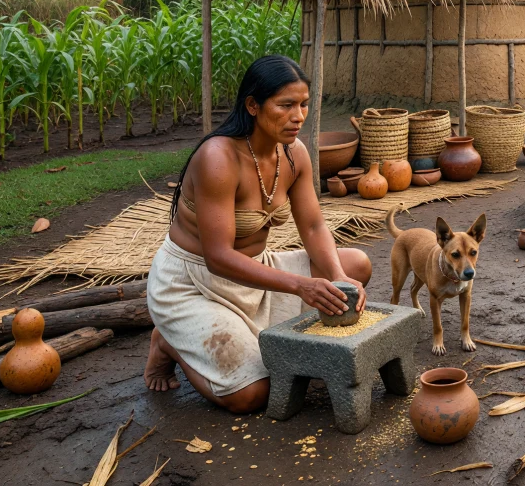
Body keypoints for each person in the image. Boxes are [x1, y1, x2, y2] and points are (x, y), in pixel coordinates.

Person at [144, 55, 372, 413]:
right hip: (194, 284)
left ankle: (263, 340)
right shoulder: (219, 158)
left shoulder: (294, 154)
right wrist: (300, 286)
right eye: (286, 105)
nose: (298, 116)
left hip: (255, 275)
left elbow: (312, 226)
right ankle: (167, 343)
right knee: (252, 395)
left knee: (355, 266)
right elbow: (217, 258)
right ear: (252, 105)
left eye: (304, 105)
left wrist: (338, 277)